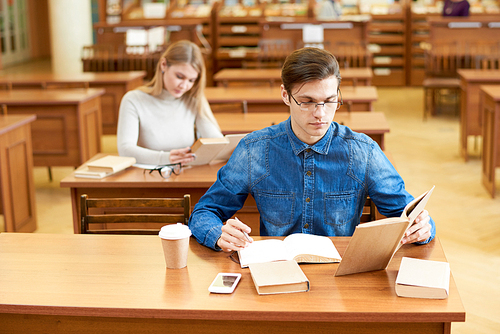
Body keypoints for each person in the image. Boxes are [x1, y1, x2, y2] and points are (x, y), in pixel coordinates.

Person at [188, 47, 436, 252]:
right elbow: (204, 211)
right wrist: (217, 233)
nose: (320, 114)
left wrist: (423, 227)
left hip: (340, 279)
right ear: (285, 95)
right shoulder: (255, 151)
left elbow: (408, 213)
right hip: (276, 272)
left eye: (329, 101)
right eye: (306, 102)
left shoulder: (363, 152)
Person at [117, 40, 223, 166]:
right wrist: (166, 158)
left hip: (184, 175)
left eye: (191, 80)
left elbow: (216, 141)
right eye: (179, 76)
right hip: (147, 176)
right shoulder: (133, 100)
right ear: (163, 65)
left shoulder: (192, 99)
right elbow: (125, 150)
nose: (184, 86)